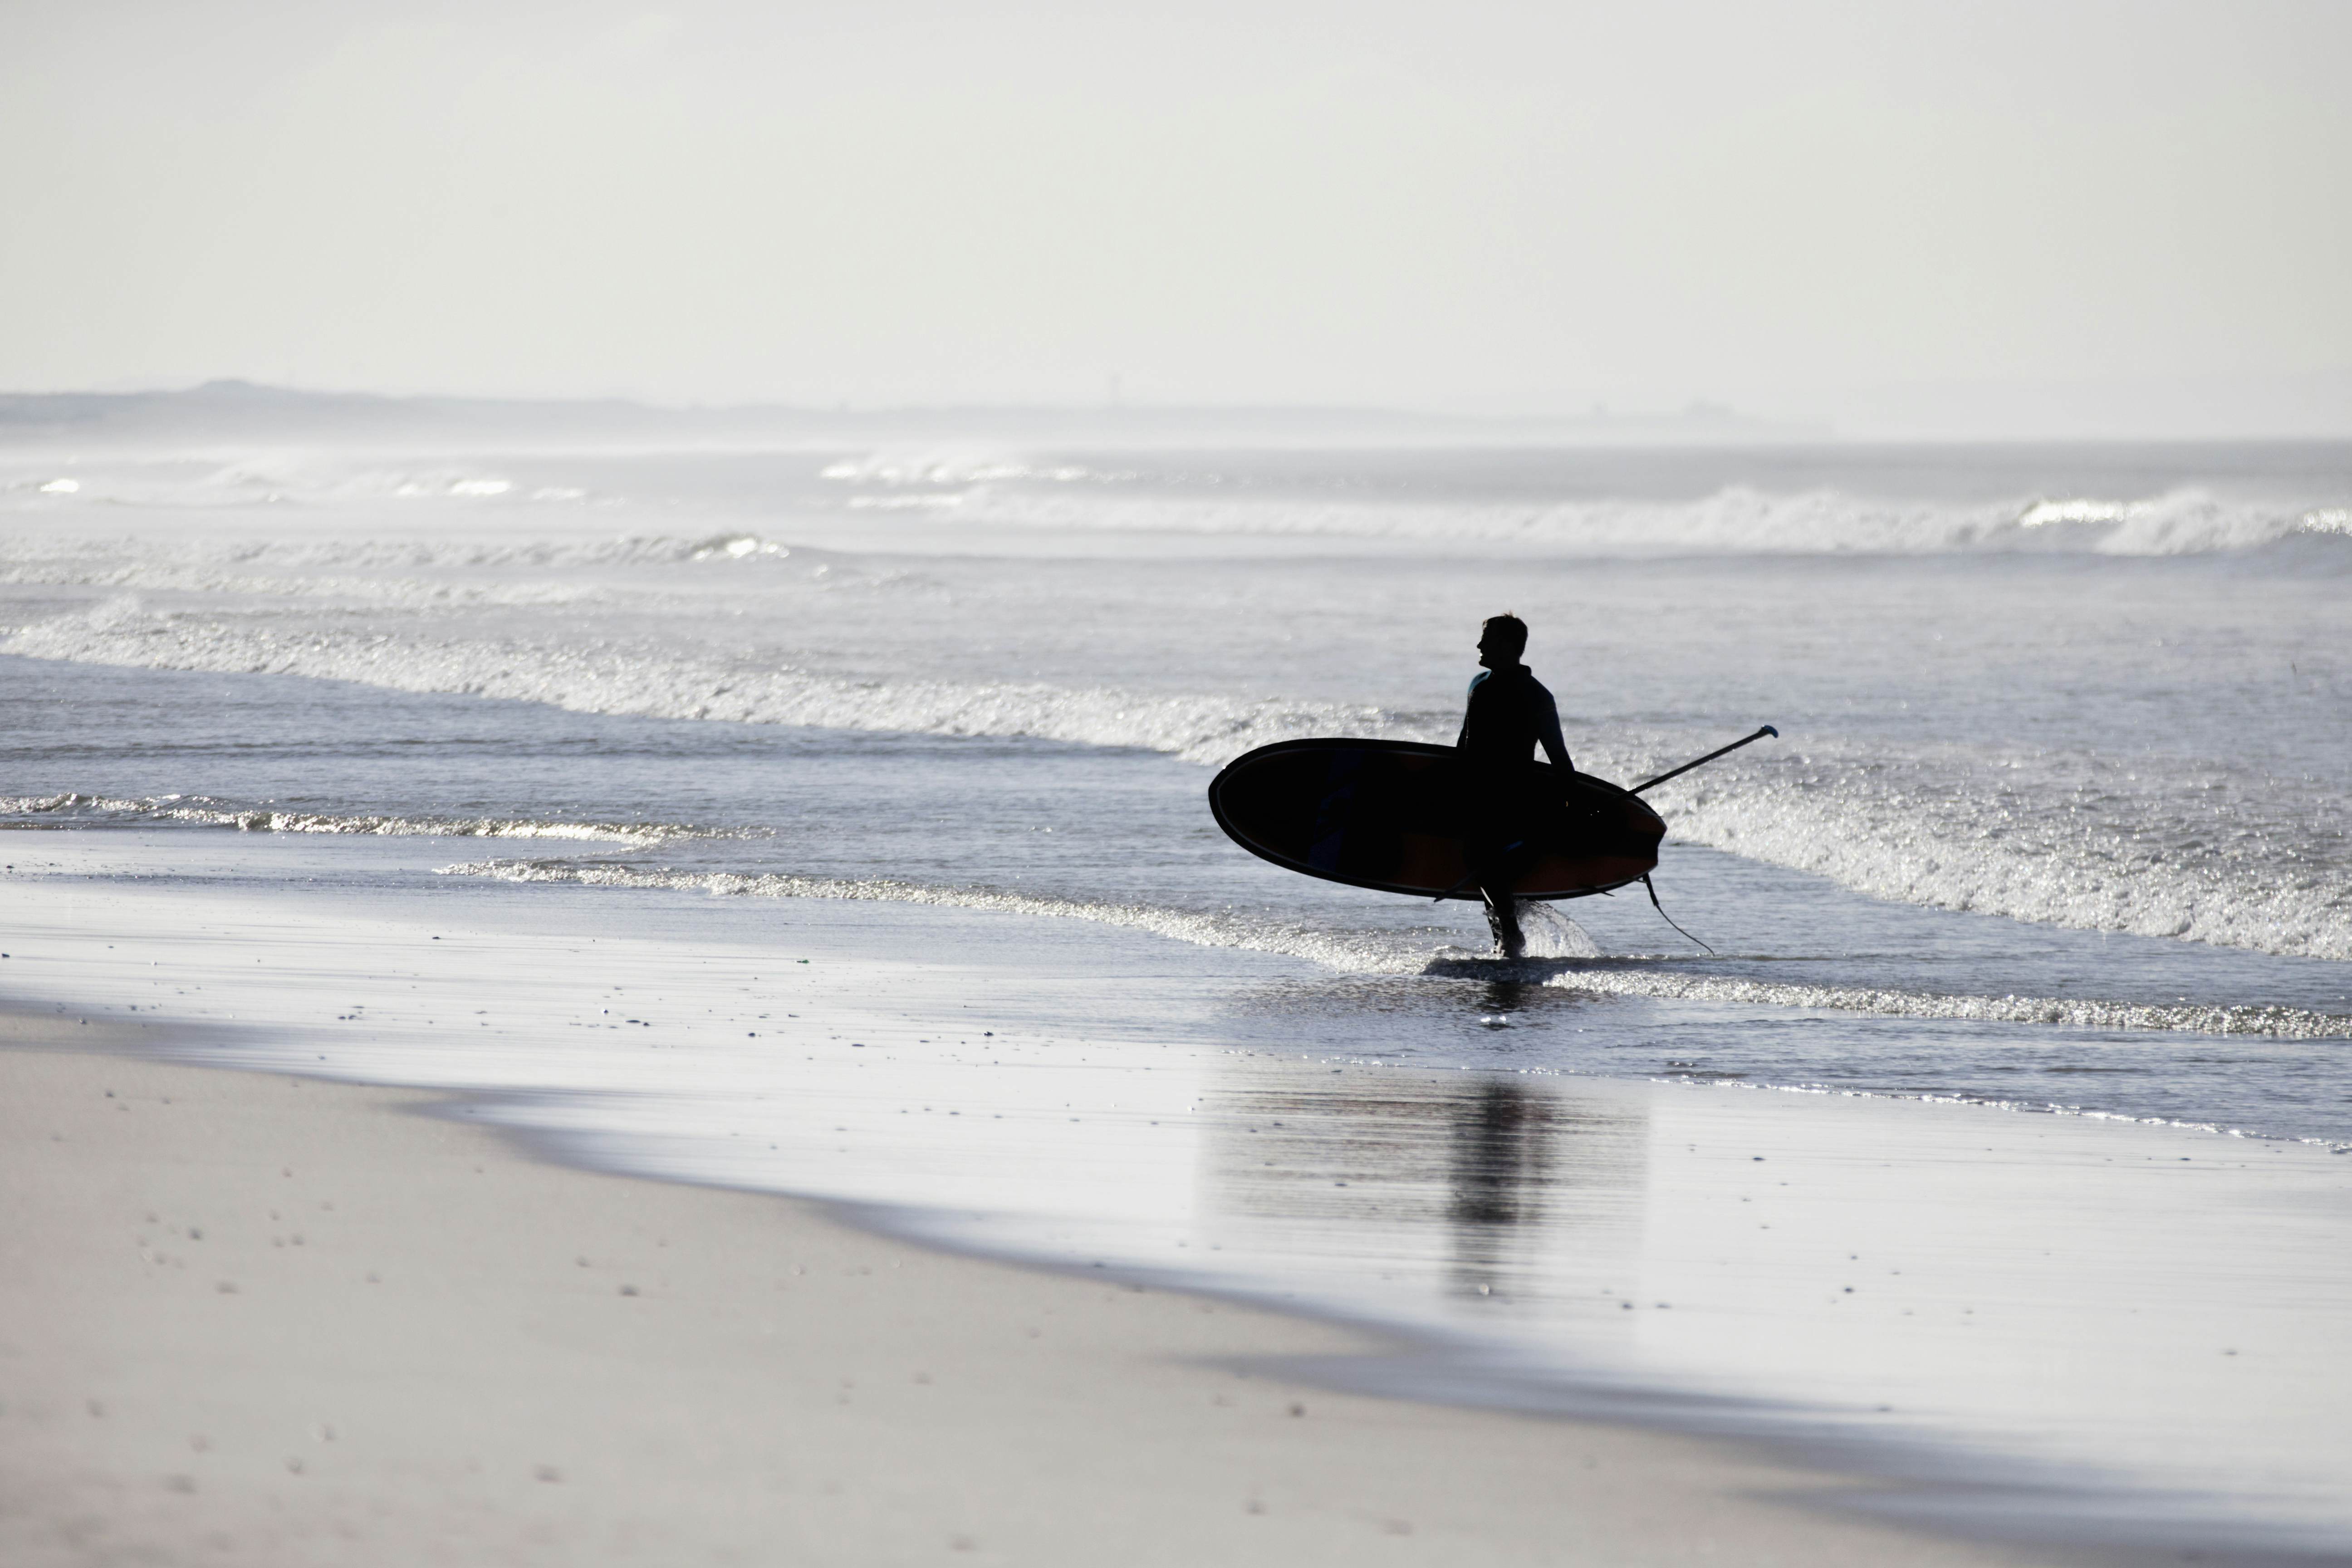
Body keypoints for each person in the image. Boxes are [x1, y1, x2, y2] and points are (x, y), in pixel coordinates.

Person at [1456, 613, 1573, 958]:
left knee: (1481, 858)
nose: (1479, 646)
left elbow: (1558, 756)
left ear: (1508, 646)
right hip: (1475, 794)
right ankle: (1504, 941)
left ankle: (1511, 937)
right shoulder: (1478, 683)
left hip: (1514, 798)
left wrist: (1572, 807)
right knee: (1481, 864)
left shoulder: (1536, 696)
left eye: (1487, 640)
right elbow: (1463, 742)